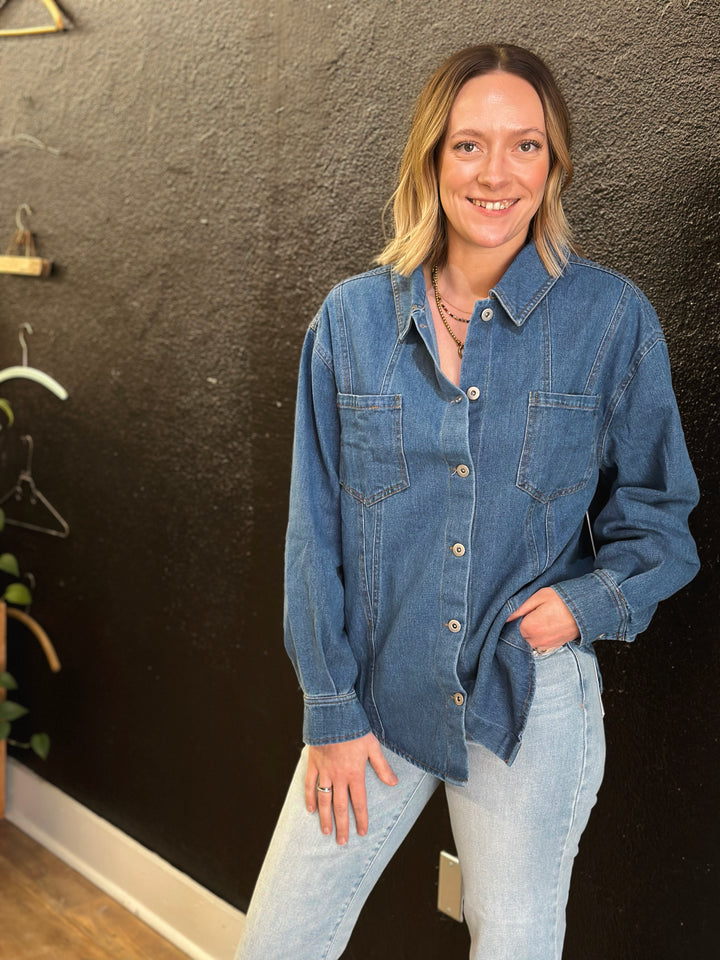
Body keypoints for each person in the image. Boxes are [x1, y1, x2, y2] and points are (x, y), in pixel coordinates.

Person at [235, 43, 699, 960]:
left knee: (515, 945)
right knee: (280, 943)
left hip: (526, 698)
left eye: (525, 146)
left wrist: (581, 606)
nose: (496, 174)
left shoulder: (610, 320)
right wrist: (330, 709)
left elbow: (661, 514)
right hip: (374, 699)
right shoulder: (351, 321)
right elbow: (312, 529)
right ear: (430, 159)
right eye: (468, 146)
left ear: (553, 164)